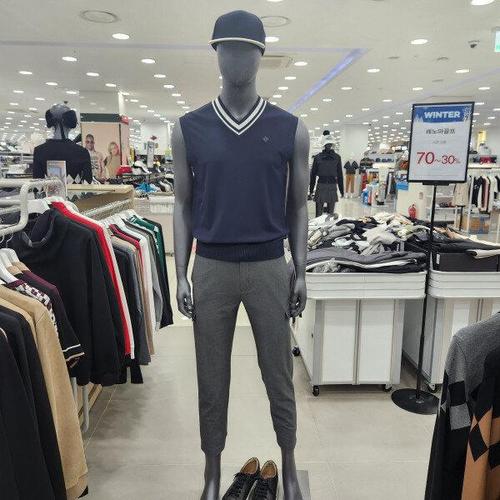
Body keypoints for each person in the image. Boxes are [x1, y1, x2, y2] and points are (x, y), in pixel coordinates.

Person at [309, 133, 344, 216]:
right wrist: (311, 190)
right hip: (322, 185)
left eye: (330, 144)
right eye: (327, 144)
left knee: (330, 215)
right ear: (324, 145)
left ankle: (327, 225)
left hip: (331, 186)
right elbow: (313, 175)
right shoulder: (318, 157)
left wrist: (341, 190)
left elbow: (340, 175)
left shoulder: (337, 157)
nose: (328, 145)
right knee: (319, 214)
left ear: (332, 144)